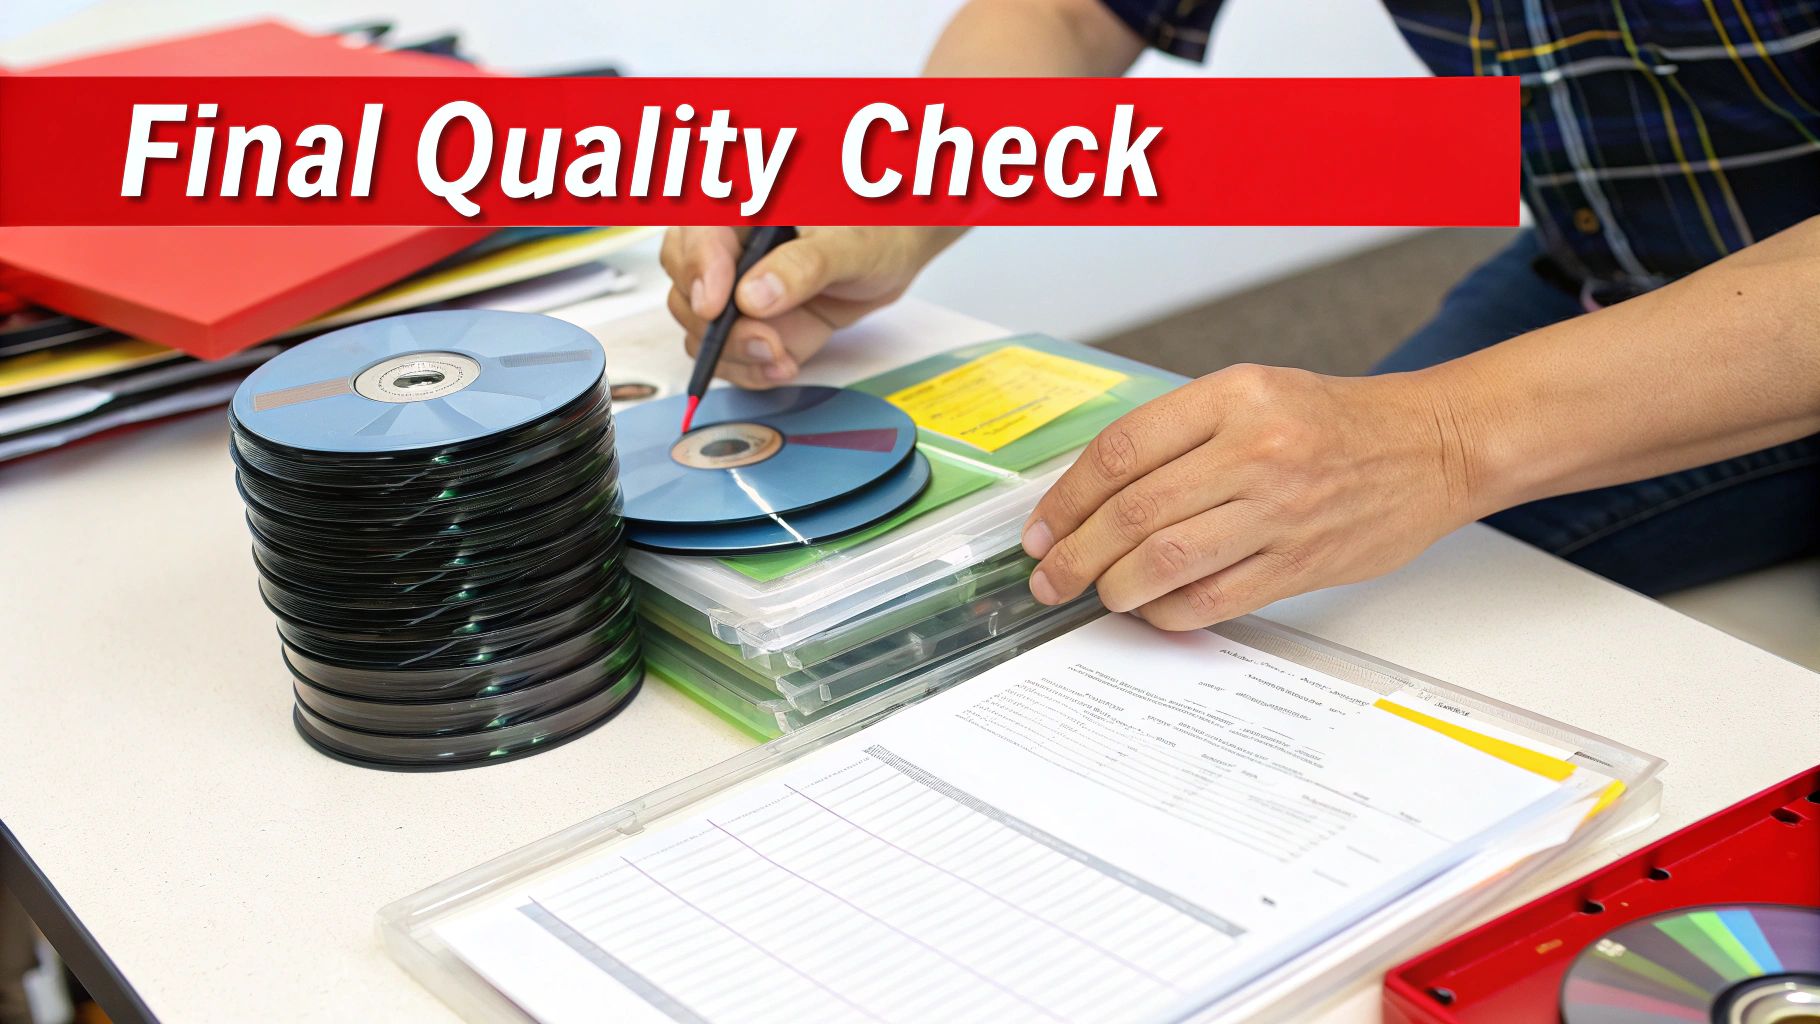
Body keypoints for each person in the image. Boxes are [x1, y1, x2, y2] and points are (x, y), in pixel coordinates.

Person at [660, 0, 1820, 630]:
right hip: (1604, 262)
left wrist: (1438, 441)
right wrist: (887, 191)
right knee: (1233, 586)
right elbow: (1070, 14)